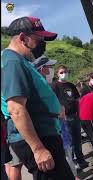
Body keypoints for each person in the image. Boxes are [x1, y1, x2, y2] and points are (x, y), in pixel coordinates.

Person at [1, 16, 74, 179]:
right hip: (39, 137)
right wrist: (38, 148)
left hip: (45, 133)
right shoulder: (13, 61)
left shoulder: (22, 61)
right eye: (38, 39)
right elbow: (16, 109)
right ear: (22, 38)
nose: (42, 44)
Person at [33, 59, 80, 180]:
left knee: (68, 150)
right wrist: (60, 110)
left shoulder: (45, 84)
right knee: (63, 155)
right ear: (43, 69)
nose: (51, 71)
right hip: (53, 127)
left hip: (60, 124)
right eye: (50, 67)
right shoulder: (42, 85)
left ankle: (74, 173)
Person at [51, 65, 88, 169]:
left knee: (78, 140)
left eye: (65, 72)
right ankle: (72, 163)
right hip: (64, 118)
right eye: (62, 72)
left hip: (74, 116)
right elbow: (54, 101)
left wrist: (79, 114)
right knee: (69, 142)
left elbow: (77, 100)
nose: (64, 74)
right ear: (57, 74)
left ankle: (81, 160)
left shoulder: (71, 85)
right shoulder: (54, 86)